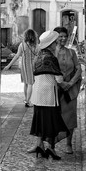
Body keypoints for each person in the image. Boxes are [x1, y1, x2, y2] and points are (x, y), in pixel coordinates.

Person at [28, 30, 70, 160]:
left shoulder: (38, 56)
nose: (57, 44)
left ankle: (39, 145)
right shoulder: (51, 57)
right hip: (49, 94)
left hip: (38, 93)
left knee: (40, 119)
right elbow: (59, 79)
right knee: (50, 121)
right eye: (55, 42)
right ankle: (50, 148)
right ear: (51, 44)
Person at [54, 27, 82, 154]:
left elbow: (78, 69)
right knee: (55, 117)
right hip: (56, 90)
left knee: (70, 117)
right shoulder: (52, 53)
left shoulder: (72, 52)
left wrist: (70, 83)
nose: (63, 38)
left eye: (65, 36)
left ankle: (68, 143)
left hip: (70, 91)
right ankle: (52, 142)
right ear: (55, 37)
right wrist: (61, 83)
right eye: (60, 36)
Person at [3, 29, 39, 107]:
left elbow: (16, 56)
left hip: (24, 66)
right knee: (30, 83)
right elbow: (38, 55)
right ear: (34, 36)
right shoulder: (36, 45)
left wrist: (9, 65)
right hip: (32, 65)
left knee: (26, 83)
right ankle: (28, 101)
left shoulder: (22, 45)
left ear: (25, 36)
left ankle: (26, 99)